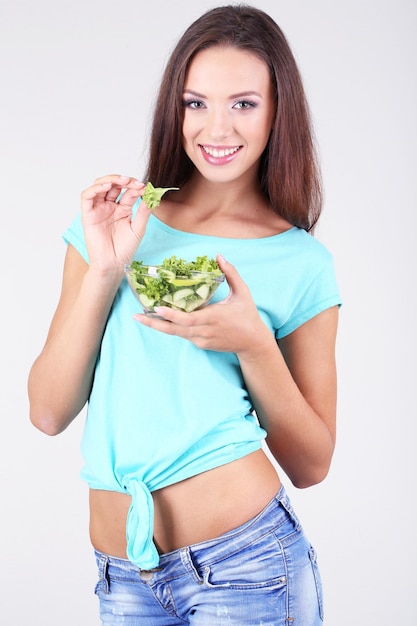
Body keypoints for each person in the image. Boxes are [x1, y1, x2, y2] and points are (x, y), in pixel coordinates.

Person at [28, 5, 342, 625]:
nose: (216, 127)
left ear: (280, 110)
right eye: (196, 103)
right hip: (123, 578)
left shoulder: (301, 262)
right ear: (173, 108)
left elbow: (313, 463)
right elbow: (47, 411)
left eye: (244, 103)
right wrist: (106, 272)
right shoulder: (116, 221)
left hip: (248, 566)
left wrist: (253, 344)